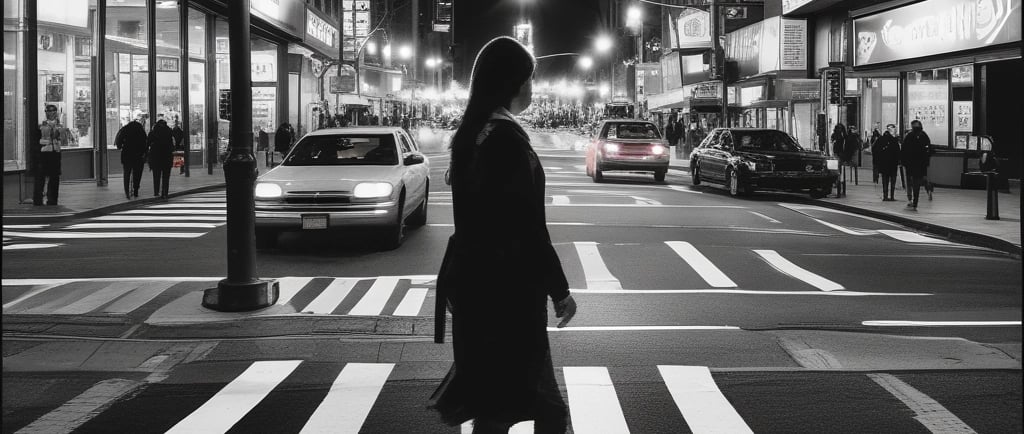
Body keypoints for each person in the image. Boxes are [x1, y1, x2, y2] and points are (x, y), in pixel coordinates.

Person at [430, 36, 577, 434]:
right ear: (512, 82)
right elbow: (527, 227)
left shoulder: (472, 135)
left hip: (477, 290)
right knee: (539, 411)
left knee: (495, 408)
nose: (532, 88)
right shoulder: (506, 142)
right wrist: (559, 290)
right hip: (508, 295)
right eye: (529, 79)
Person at [33, 104, 73, 205]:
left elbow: (64, 140)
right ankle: (38, 199)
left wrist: (61, 133)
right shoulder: (41, 125)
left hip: (55, 153)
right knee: (40, 177)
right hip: (44, 153)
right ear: (46, 113)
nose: (51, 114)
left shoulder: (59, 125)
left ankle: (52, 199)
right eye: (49, 111)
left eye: (53, 112)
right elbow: (36, 139)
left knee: (54, 177)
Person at [114, 112, 148, 199]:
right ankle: (136, 189)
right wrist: (145, 153)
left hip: (127, 154)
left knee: (127, 172)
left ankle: (126, 191)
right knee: (137, 173)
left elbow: (118, 140)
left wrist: (120, 146)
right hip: (138, 155)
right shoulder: (141, 131)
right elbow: (145, 143)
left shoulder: (125, 129)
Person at [901, 119, 931, 209]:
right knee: (918, 181)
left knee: (911, 182)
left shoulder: (909, 136)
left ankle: (912, 200)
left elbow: (904, 150)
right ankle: (918, 197)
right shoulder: (924, 136)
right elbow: (928, 149)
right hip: (920, 164)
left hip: (911, 164)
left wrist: (903, 161)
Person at [147, 118, 174, 199]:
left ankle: (156, 191)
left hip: (156, 156)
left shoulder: (153, 132)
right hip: (167, 156)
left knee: (156, 175)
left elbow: (147, 143)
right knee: (166, 176)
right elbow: (172, 145)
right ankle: (165, 192)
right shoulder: (169, 132)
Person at [873, 124, 901, 201]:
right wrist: (899, 161)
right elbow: (898, 152)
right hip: (892, 163)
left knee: (885, 179)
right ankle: (892, 196)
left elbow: (875, 151)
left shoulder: (880, 140)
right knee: (892, 180)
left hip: (883, 163)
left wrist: (876, 162)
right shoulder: (894, 140)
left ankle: (885, 196)